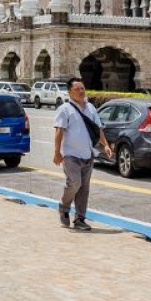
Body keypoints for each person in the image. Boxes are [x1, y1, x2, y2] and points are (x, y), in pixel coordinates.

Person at [53, 77, 112, 231]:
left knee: (84, 188)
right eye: (77, 89)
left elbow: (98, 129)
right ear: (69, 92)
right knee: (75, 183)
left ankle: (80, 218)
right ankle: (64, 207)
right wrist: (57, 152)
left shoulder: (91, 108)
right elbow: (59, 130)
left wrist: (105, 145)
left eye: (82, 88)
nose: (81, 91)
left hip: (88, 154)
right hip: (71, 155)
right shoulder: (65, 109)